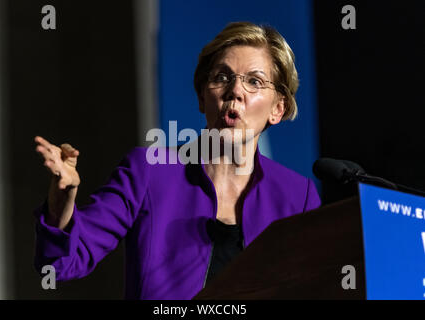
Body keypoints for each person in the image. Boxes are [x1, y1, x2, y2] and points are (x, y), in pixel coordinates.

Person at [33, 21, 321, 300]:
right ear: (201, 97)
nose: (235, 91)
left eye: (254, 81)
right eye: (222, 77)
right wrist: (63, 197)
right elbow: (63, 264)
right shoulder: (149, 170)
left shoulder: (299, 197)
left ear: (278, 108)